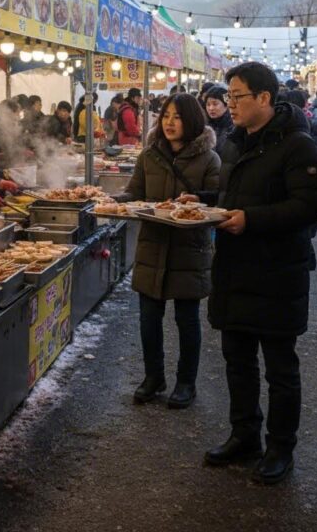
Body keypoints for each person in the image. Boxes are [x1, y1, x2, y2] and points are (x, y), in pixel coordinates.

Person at [201, 62, 317, 484]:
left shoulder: (298, 146)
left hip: (277, 273)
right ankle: (245, 435)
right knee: (237, 360)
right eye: (228, 97)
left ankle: (280, 447)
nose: (229, 104)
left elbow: (308, 207)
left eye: (237, 97)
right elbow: (229, 196)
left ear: (265, 98)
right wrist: (200, 202)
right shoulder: (235, 144)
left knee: (280, 368)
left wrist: (249, 219)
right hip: (235, 269)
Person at [118, 94, 220, 408]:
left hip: (189, 248)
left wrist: (198, 199)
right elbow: (135, 192)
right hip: (152, 245)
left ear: (192, 120)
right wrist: (114, 202)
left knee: (187, 320)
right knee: (148, 319)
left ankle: (186, 382)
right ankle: (153, 377)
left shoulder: (209, 158)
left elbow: (217, 198)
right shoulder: (149, 155)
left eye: (177, 117)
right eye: (165, 116)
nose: (169, 122)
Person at [204, 85, 233, 155]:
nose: (211, 108)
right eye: (208, 104)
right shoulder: (204, 126)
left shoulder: (233, 127)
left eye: (215, 104)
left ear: (226, 105)